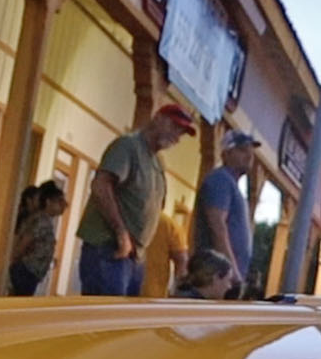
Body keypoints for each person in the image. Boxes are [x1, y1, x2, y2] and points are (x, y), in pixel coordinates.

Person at [76, 103, 196, 295]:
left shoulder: (157, 162)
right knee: (107, 319)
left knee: (124, 320)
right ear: (157, 119)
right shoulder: (128, 146)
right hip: (110, 249)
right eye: (174, 126)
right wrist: (121, 233)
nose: (177, 136)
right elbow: (100, 186)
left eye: (181, 132)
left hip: (134, 257)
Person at [192, 128, 259, 298]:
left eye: (251, 151)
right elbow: (217, 226)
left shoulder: (232, 186)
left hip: (224, 278)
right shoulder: (220, 180)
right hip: (215, 277)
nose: (249, 156)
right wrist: (233, 272)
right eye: (243, 150)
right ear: (227, 153)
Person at [7, 181, 67, 295]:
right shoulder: (41, 220)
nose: (64, 205)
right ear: (48, 202)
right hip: (26, 270)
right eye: (59, 201)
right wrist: (14, 260)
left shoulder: (46, 221)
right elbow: (26, 240)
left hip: (31, 272)